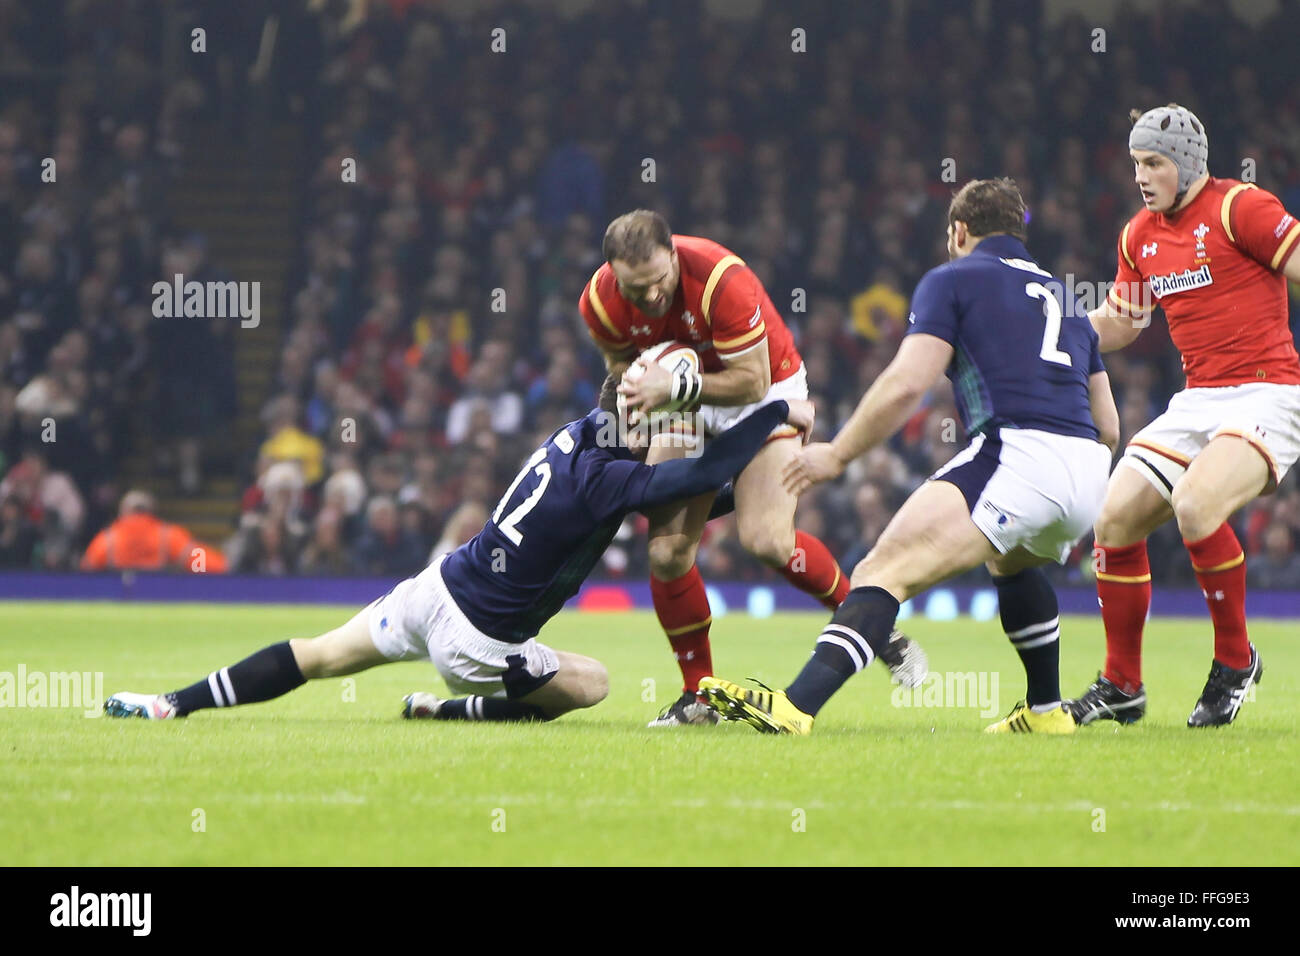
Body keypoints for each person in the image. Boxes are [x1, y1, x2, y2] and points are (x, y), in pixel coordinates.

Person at [104, 382, 814, 724]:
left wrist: (744, 497)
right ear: (633, 424)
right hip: (478, 641)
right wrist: (772, 416)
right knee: (594, 682)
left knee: (318, 655)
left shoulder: (577, 442)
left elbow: (674, 494)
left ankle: (172, 703)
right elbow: (686, 481)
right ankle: (444, 710)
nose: (667, 435)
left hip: (432, 591)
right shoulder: (606, 478)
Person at [699, 178, 1118, 735]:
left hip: (1017, 454)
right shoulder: (1067, 299)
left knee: (881, 571)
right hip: (1088, 470)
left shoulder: (953, 279)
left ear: (959, 231)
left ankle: (794, 708)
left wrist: (839, 454)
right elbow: (1109, 426)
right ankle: (1046, 713)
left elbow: (906, 382)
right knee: (1011, 562)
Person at [1067, 104, 1300, 728]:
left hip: (1267, 392)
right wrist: (1058, 329)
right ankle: (1122, 684)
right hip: (1197, 400)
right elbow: (1122, 320)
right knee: (1112, 519)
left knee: (1195, 504)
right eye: (1136, 164)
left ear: (1189, 164)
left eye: (1154, 164)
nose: (1141, 176)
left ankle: (1235, 661)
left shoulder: (1240, 207)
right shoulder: (1138, 234)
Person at [581, 209, 852, 727]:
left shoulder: (721, 281)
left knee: (767, 540)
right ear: (614, 274)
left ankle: (864, 615)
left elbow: (750, 382)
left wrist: (672, 387)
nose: (651, 298)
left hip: (765, 391)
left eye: (659, 282)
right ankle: (698, 696)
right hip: (680, 398)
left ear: (674, 256)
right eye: (635, 290)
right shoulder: (599, 303)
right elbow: (620, 368)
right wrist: (632, 408)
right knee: (666, 552)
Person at [81, 489, 228, 573]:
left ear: (123, 511)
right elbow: (204, 562)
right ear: (152, 510)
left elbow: (86, 569)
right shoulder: (167, 535)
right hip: (160, 596)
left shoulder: (108, 538)